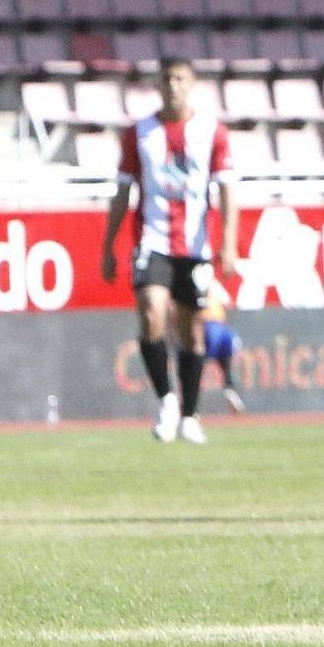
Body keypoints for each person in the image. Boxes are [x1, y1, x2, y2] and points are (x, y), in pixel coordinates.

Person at [101, 58, 237, 444]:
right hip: (153, 240)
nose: (173, 86)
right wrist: (108, 245)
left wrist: (228, 243)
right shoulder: (140, 133)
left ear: (191, 84)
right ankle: (166, 399)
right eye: (167, 80)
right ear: (158, 86)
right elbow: (123, 190)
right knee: (151, 314)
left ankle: (191, 414)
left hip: (195, 247)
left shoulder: (212, 131)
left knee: (192, 331)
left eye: (180, 79)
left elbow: (227, 190)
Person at [202, 281, 247, 415]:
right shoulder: (191, 282)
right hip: (205, 325)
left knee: (229, 349)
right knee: (199, 362)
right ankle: (188, 402)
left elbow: (228, 301)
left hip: (219, 325)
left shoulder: (213, 283)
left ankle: (230, 388)